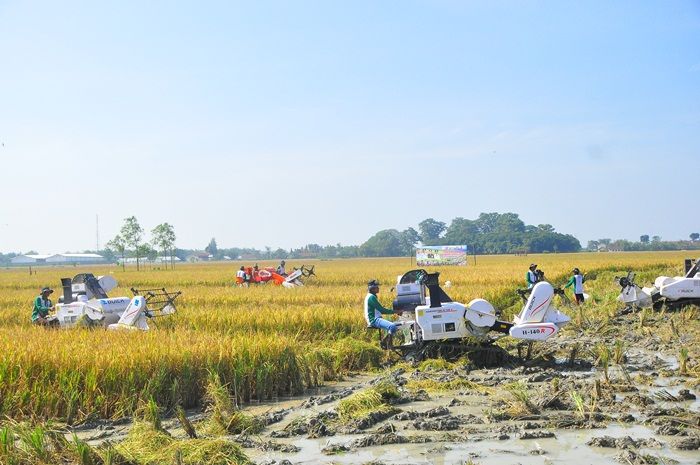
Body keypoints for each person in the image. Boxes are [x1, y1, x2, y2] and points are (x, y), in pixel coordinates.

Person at [364, 280, 401, 348]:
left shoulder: (371, 296)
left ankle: (385, 342)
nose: (378, 288)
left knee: (397, 326)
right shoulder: (371, 297)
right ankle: (386, 343)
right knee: (392, 326)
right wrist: (396, 312)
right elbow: (382, 310)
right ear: (372, 289)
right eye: (376, 287)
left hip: (375, 318)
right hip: (374, 320)